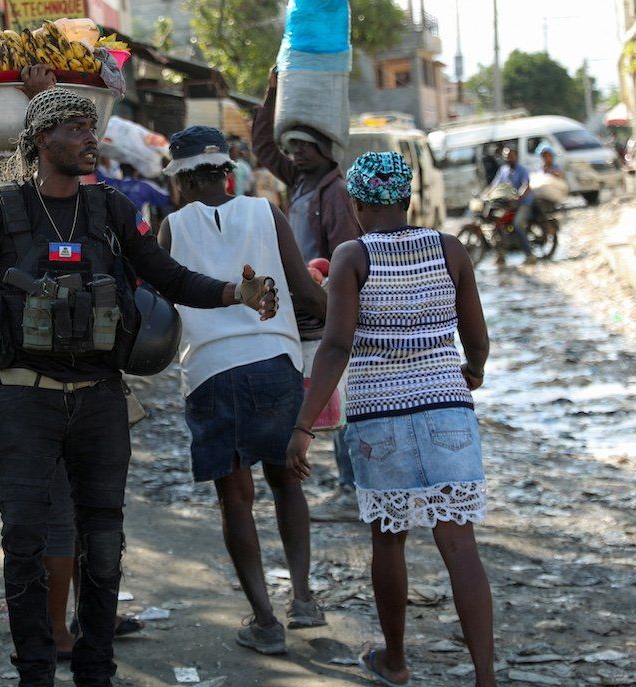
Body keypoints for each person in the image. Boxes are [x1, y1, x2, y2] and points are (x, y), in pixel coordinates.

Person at [0, 85, 278, 687]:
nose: (89, 138)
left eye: (91, 127)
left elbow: (165, 275)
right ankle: (35, 672)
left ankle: (96, 669)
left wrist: (234, 293)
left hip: (98, 399)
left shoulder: (112, 210)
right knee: (22, 542)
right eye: (74, 128)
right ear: (43, 138)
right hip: (23, 399)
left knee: (104, 538)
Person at [287, 151, 495, 687]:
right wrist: (471, 370)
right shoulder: (450, 249)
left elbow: (335, 347)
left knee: (389, 538)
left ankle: (396, 661)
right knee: (460, 544)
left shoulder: (352, 257)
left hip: (379, 416)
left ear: (356, 205)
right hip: (447, 405)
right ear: (407, 200)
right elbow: (476, 336)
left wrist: (304, 426)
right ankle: (485, 678)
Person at [158, 126, 328, 654]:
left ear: (180, 181)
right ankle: (302, 599)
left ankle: (265, 622)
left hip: (211, 373)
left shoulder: (170, 228)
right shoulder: (264, 212)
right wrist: (342, 329)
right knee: (287, 483)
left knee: (236, 500)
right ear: (227, 172)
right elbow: (302, 286)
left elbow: (163, 307)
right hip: (275, 363)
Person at [252, 68, 361, 519]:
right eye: (292, 146)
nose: (294, 153)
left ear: (324, 150)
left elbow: (346, 254)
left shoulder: (334, 193)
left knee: (340, 398)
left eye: (303, 146)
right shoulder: (301, 181)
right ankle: (344, 482)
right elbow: (262, 147)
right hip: (305, 307)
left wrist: (331, 295)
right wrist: (271, 93)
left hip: (326, 306)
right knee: (322, 397)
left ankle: (353, 488)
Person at [490, 146, 536, 265]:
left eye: (510, 156)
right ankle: (501, 254)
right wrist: (486, 195)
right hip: (508, 205)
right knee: (498, 223)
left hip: (523, 204)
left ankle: (529, 255)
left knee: (517, 224)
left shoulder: (522, 170)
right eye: (506, 156)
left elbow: (526, 186)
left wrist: (519, 196)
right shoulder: (503, 170)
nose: (508, 158)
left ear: (515, 156)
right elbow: (495, 185)